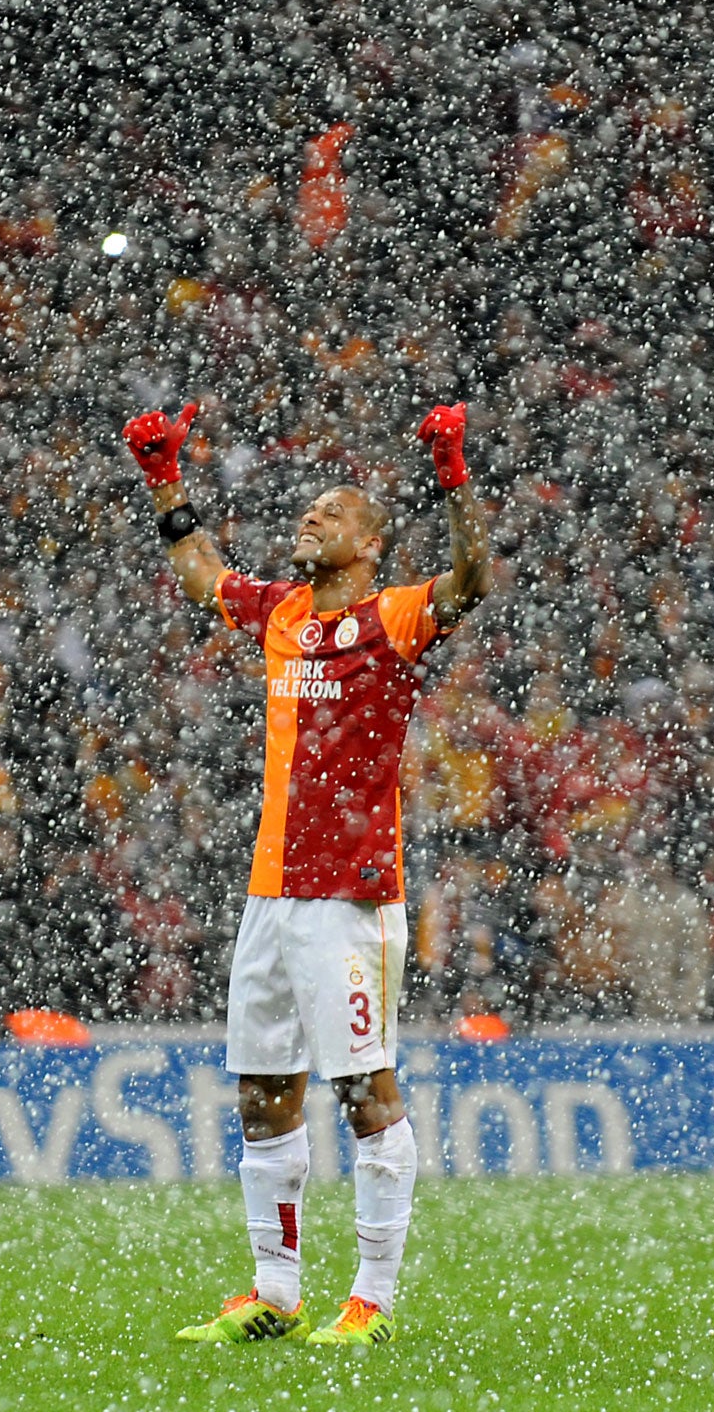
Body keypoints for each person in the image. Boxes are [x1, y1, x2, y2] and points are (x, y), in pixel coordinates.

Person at [124, 399, 491, 1345]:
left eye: (332, 512)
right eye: (308, 510)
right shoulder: (283, 614)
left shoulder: (393, 620)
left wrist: (454, 477)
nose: (310, 519)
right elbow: (201, 571)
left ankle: (371, 1298)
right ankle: (275, 1290)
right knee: (263, 1087)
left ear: (371, 543)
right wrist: (164, 479)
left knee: (363, 1089)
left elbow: (472, 578)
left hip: (351, 897)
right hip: (271, 894)